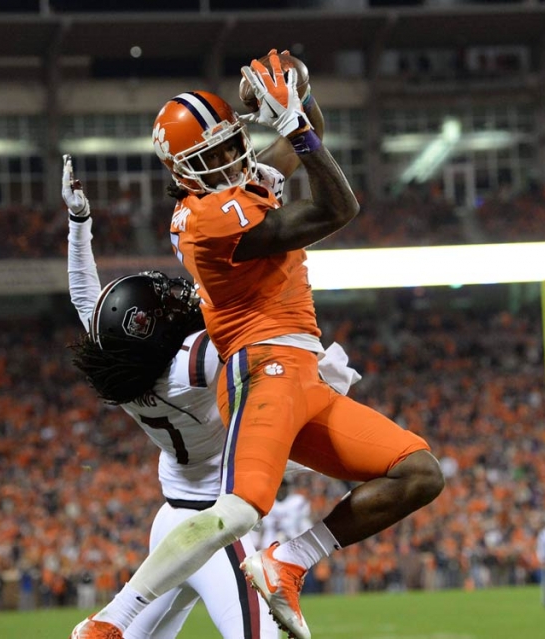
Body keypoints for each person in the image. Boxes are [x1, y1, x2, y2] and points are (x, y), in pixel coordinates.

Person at [72, 50, 444, 639]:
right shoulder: (207, 220)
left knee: (419, 474)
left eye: (228, 147)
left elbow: (309, 139)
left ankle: (289, 561)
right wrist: (291, 124)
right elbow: (338, 207)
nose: (225, 162)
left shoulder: (233, 191)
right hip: (261, 366)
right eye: (208, 157)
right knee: (240, 512)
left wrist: (300, 94)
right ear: (179, 172)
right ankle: (110, 622)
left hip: (300, 370)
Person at [63, 151, 359, 638]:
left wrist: (79, 223)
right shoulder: (194, 361)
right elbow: (244, 306)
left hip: (171, 521)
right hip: (214, 529)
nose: (173, 300)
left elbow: (83, 297)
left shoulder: (120, 366)